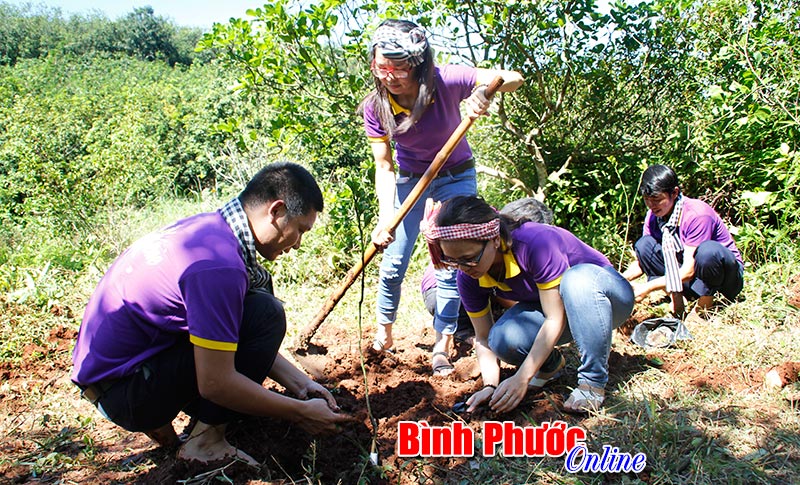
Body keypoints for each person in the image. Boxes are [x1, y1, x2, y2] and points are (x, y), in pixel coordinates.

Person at [71, 162, 352, 465]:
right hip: (126, 392)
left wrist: (300, 385)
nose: (297, 244)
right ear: (276, 211)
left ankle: (165, 425)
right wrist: (300, 413)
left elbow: (227, 335)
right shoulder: (220, 267)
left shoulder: (208, 231)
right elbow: (215, 382)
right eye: (299, 230)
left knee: (252, 308)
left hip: (116, 380)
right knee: (264, 312)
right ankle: (206, 442)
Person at [359, 18, 524, 376]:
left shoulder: (445, 79)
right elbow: (384, 166)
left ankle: (442, 344)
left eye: (399, 67)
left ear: (418, 64)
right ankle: (383, 335)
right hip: (408, 180)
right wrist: (386, 215)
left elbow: (512, 77)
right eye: (381, 66)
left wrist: (485, 91)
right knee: (393, 262)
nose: (390, 75)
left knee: (450, 264)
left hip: (456, 176)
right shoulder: (375, 107)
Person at [421, 195, 634, 413]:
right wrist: (490, 386)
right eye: (453, 261)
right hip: (562, 312)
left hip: (604, 299)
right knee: (502, 338)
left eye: (469, 258)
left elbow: (554, 318)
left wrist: (522, 376)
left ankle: (592, 383)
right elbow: (484, 339)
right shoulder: (468, 277)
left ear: (494, 239)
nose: (463, 267)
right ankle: (551, 366)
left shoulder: (536, 243)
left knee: (576, 279)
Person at [420, 198, 555, 344]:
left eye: (469, 258)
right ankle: (464, 329)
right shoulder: (474, 262)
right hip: (440, 295)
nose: (463, 268)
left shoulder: (532, 246)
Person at [622, 164, 744, 316]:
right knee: (644, 245)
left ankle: (705, 307)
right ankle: (678, 297)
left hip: (722, 278)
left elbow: (688, 270)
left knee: (708, 252)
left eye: (657, 199)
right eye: (647, 199)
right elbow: (643, 260)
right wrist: (621, 279)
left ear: (674, 193)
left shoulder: (697, 215)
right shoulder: (653, 215)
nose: (651, 205)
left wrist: (647, 288)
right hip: (688, 277)